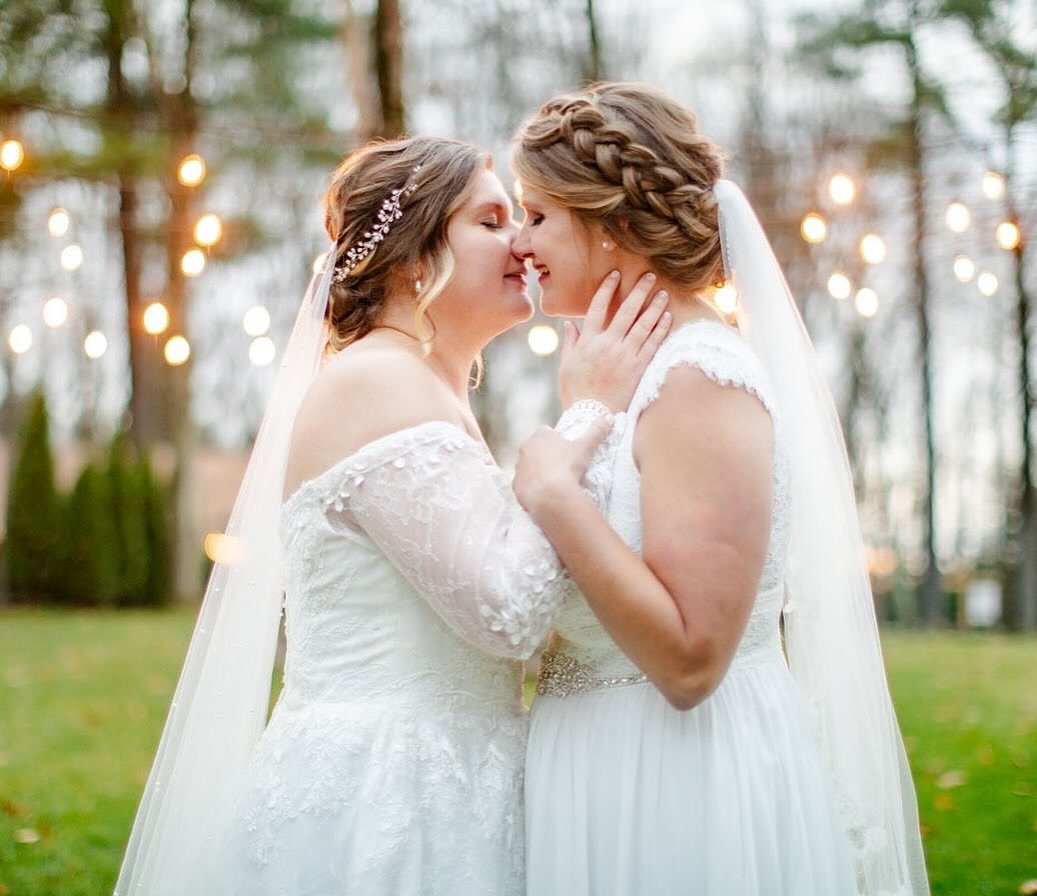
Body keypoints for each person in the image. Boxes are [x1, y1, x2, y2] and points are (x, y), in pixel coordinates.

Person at [114, 135, 670, 896]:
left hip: (453, 777)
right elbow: (507, 615)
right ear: (413, 257)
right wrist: (585, 416)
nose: (523, 241)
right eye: (491, 220)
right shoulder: (377, 381)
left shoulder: (424, 387)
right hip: (385, 797)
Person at [510, 82, 929, 895]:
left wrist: (553, 496)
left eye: (536, 215)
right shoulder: (618, 372)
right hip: (590, 767)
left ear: (610, 224)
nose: (522, 243)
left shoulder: (701, 377)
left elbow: (692, 658)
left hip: (672, 783)